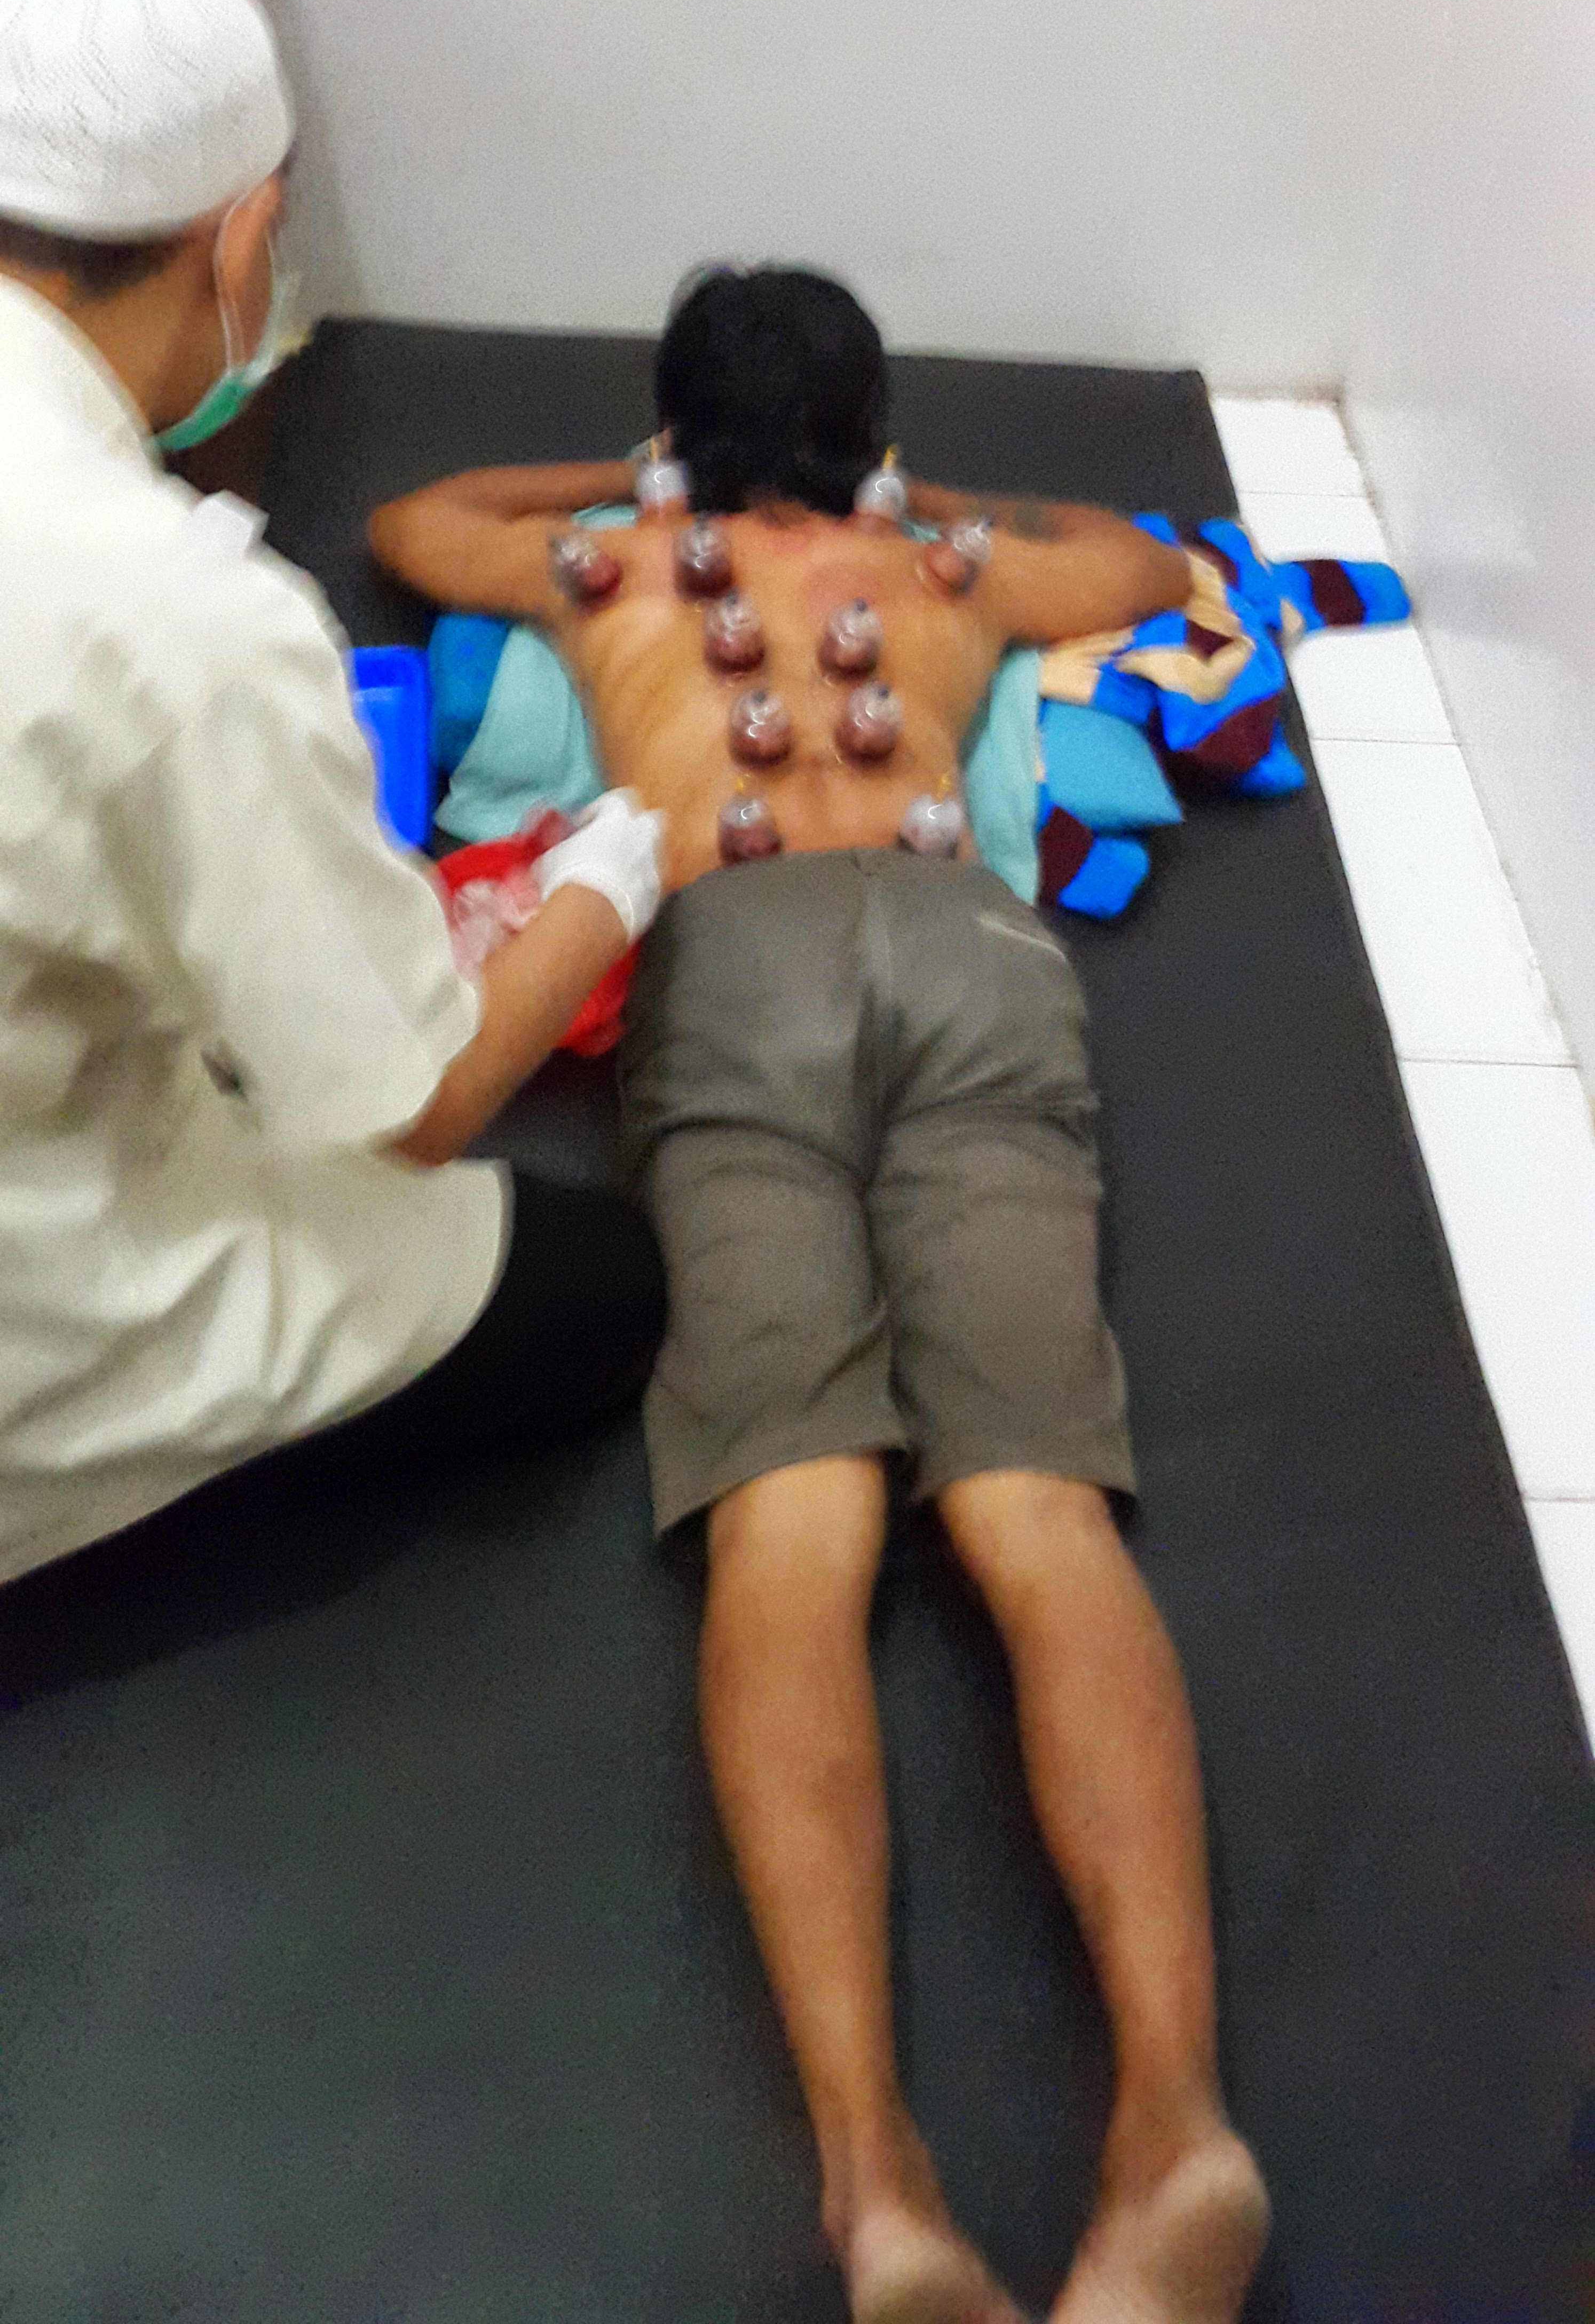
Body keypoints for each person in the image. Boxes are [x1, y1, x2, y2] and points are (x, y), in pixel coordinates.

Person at [370, 264, 1272, 2324]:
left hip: (735, 954)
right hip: (975, 949)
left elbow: (414, 521)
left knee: (795, 1518)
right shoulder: (947, 574)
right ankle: (1174, 2122)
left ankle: (881, 2187)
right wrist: (910, 499)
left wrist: (642, 479)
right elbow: (1146, 559)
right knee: (1039, 1509)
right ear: (867, 429)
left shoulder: (612, 563)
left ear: (680, 430)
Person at [0, 0, 667, 1591]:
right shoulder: (180, 618)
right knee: (611, 1284)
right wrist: (607, 878)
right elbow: (411, 1107)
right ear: (239, 238)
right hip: (45, 1305)